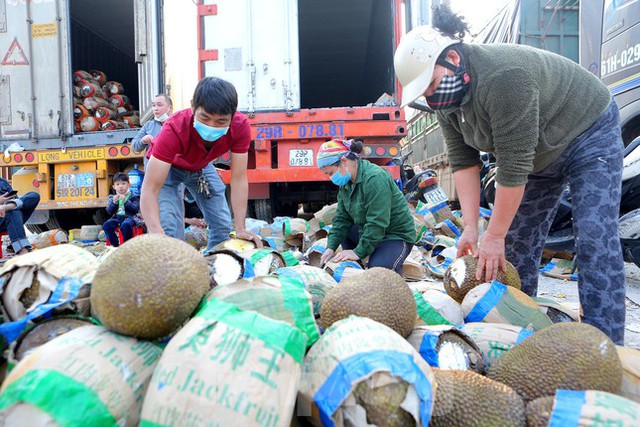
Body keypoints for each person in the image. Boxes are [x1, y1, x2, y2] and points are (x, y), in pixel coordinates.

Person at [394, 5, 626, 343]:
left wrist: (494, 234)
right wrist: (472, 228)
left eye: (431, 85)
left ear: (453, 60)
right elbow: (464, 162)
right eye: (425, 93)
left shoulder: (504, 77)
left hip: (587, 134)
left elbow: (514, 164)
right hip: (539, 155)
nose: (431, 97)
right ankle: (519, 323)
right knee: (514, 246)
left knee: (593, 236)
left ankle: (607, 343)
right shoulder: (448, 102)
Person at [140, 77, 262, 250]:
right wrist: (156, 231)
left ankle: (212, 268)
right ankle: (171, 271)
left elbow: (239, 178)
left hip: (200, 166)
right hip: (167, 167)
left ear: (233, 115)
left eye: (221, 122)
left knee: (222, 226)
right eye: (204, 118)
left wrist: (241, 228)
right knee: (167, 230)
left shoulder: (240, 126)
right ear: (192, 106)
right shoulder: (174, 128)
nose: (211, 126)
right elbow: (150, 188)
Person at [318, 139, 416, 274]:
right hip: (369, 232)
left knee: (379, 273)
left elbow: (378, 222)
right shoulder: (346, 183)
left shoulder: (374, 178)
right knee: (345, 230)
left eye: (330, 172)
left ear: (344, 161)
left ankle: (379, 257)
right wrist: (331, 247)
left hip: (393, 235)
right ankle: (356, 264)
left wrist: (358, 252)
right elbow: (341, 218)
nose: (331, 177)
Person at [131, 94, 173, 168]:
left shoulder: (177, 124)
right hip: (152, 171)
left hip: (172, 171)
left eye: (159, 105)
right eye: (153, 106)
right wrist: (142, 141)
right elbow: (135, 146)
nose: (156, 109)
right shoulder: (148, 125)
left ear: (170, 107)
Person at [0, 178, 40, 255]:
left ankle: (9, 206)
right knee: (12, 211)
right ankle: (22, 250)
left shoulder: (2, 182)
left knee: (34, 196)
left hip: (7, 216)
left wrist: (7, 204)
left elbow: (17, 201)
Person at [103, 172, 140, 247]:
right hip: (118, 218)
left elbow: (135, 209)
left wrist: (126, 202)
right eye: (118, 184)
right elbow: (109, 211)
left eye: (123, 183)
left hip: (130, 218)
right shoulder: (113, 197)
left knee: (125, 225)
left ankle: (127, 245)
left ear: (129, 185)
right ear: (114, 187)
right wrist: (114, 203)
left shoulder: (133, 197)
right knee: (106, 225)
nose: (121, 186)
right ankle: (115, 245)